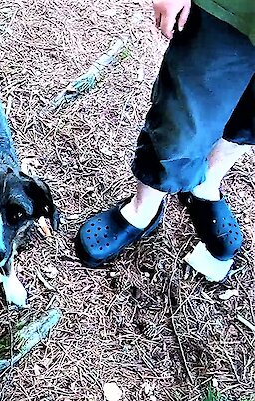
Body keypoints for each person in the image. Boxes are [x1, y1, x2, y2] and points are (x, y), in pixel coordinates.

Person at [76, 0, 255, 282]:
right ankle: (144, 208)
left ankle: (206, 183)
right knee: (182, 119)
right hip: (229, 9)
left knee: (248, 123)